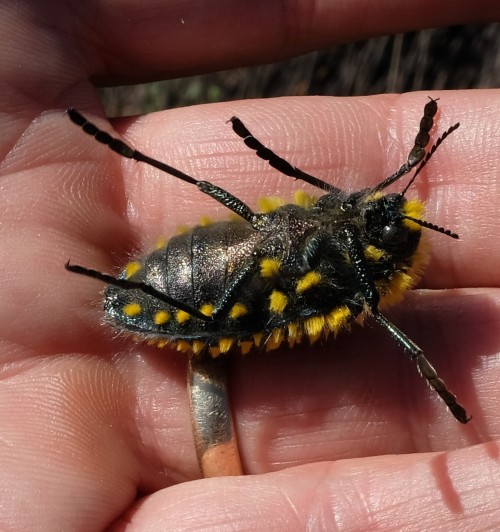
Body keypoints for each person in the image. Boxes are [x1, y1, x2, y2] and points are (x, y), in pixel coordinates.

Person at [1, 1, 499, 529]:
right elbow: (356, 197)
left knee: (242, 308)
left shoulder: (363, 283)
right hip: (223, 256)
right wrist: (409, 155)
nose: (382, 209)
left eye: (390, 223)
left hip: (229, 292)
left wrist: (424, 364)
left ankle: (160, 297)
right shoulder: (350, 224)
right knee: (211, 192)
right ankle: (133, 181)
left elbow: (370, 308)